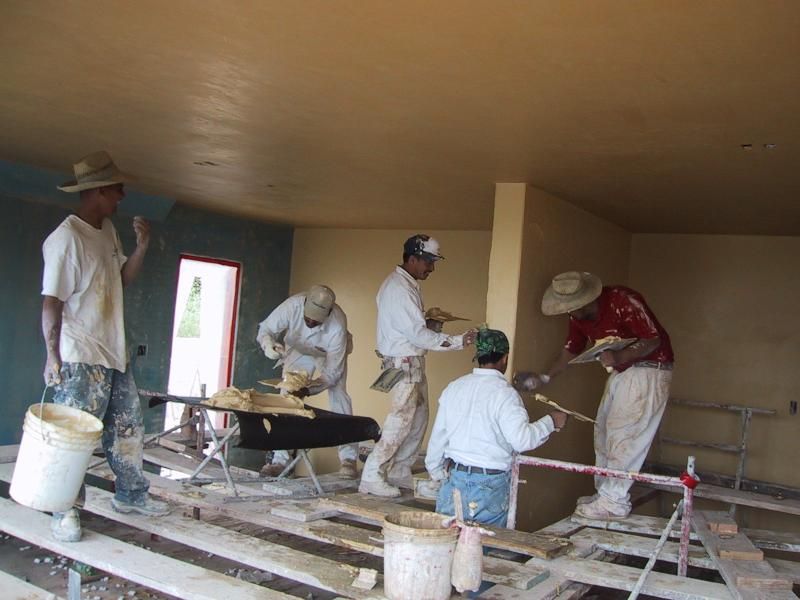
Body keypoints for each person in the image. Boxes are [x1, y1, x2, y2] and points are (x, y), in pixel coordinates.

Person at [41, 150, 169, 543]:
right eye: (117, 189)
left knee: (128, 428)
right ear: (97, 191)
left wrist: (142, 246)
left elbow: (122, 280)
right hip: (80, 356)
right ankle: (64, 510)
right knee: (77, 437)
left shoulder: (107, 230)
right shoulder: (66, 239)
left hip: (114, 352)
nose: (122, 196)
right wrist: (52, 356)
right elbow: (51, 302)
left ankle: (130, 495)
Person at [514, 271, 674, 520]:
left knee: (624, 434)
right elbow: (572, 348)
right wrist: (545, 377)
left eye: (576, 308)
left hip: (649, 370)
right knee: (603, 431)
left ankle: (615, 500)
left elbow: (652, 339)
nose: (573, 314)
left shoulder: (623, 300)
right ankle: (605, 495)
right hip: (623, 373)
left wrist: (619, 357)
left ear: (590, 298)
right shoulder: (577, 315)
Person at [359, 234, 476, 497]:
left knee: (419, 415)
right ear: (412, 259)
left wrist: (431, 324)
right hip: (403, 363)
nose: (431, 268)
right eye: (428, 262)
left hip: (409, 361)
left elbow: (411, 329)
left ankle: (400, 470)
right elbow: (416, 335)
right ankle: (372, 474)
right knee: (400, 419)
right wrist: (460, 340)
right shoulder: (399, 289)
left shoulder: (405, 285)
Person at [426, 328, 567, 527]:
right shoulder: (505, 394)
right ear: (505, 358)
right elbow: (522, 440)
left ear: (479, 356)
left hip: (454, 479)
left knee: (448, 545)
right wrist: (551, 422)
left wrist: (438, 474)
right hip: (489, 486)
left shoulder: (454, 387)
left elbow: (438, 438)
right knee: (483, 549)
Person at [256, 285, 358, 478]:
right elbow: (266, 328)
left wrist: (309, 390)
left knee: (339, 395)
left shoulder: (337, 324)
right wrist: (268, 345)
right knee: (287, 397)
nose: (311, 322)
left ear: (327, 314)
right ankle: (279, 460)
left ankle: (348, 458)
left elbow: (332, 374)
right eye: (307, 318)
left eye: (316, 321)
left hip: (326, 353)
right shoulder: (292, 306)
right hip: (299, 349)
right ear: (304, 306)